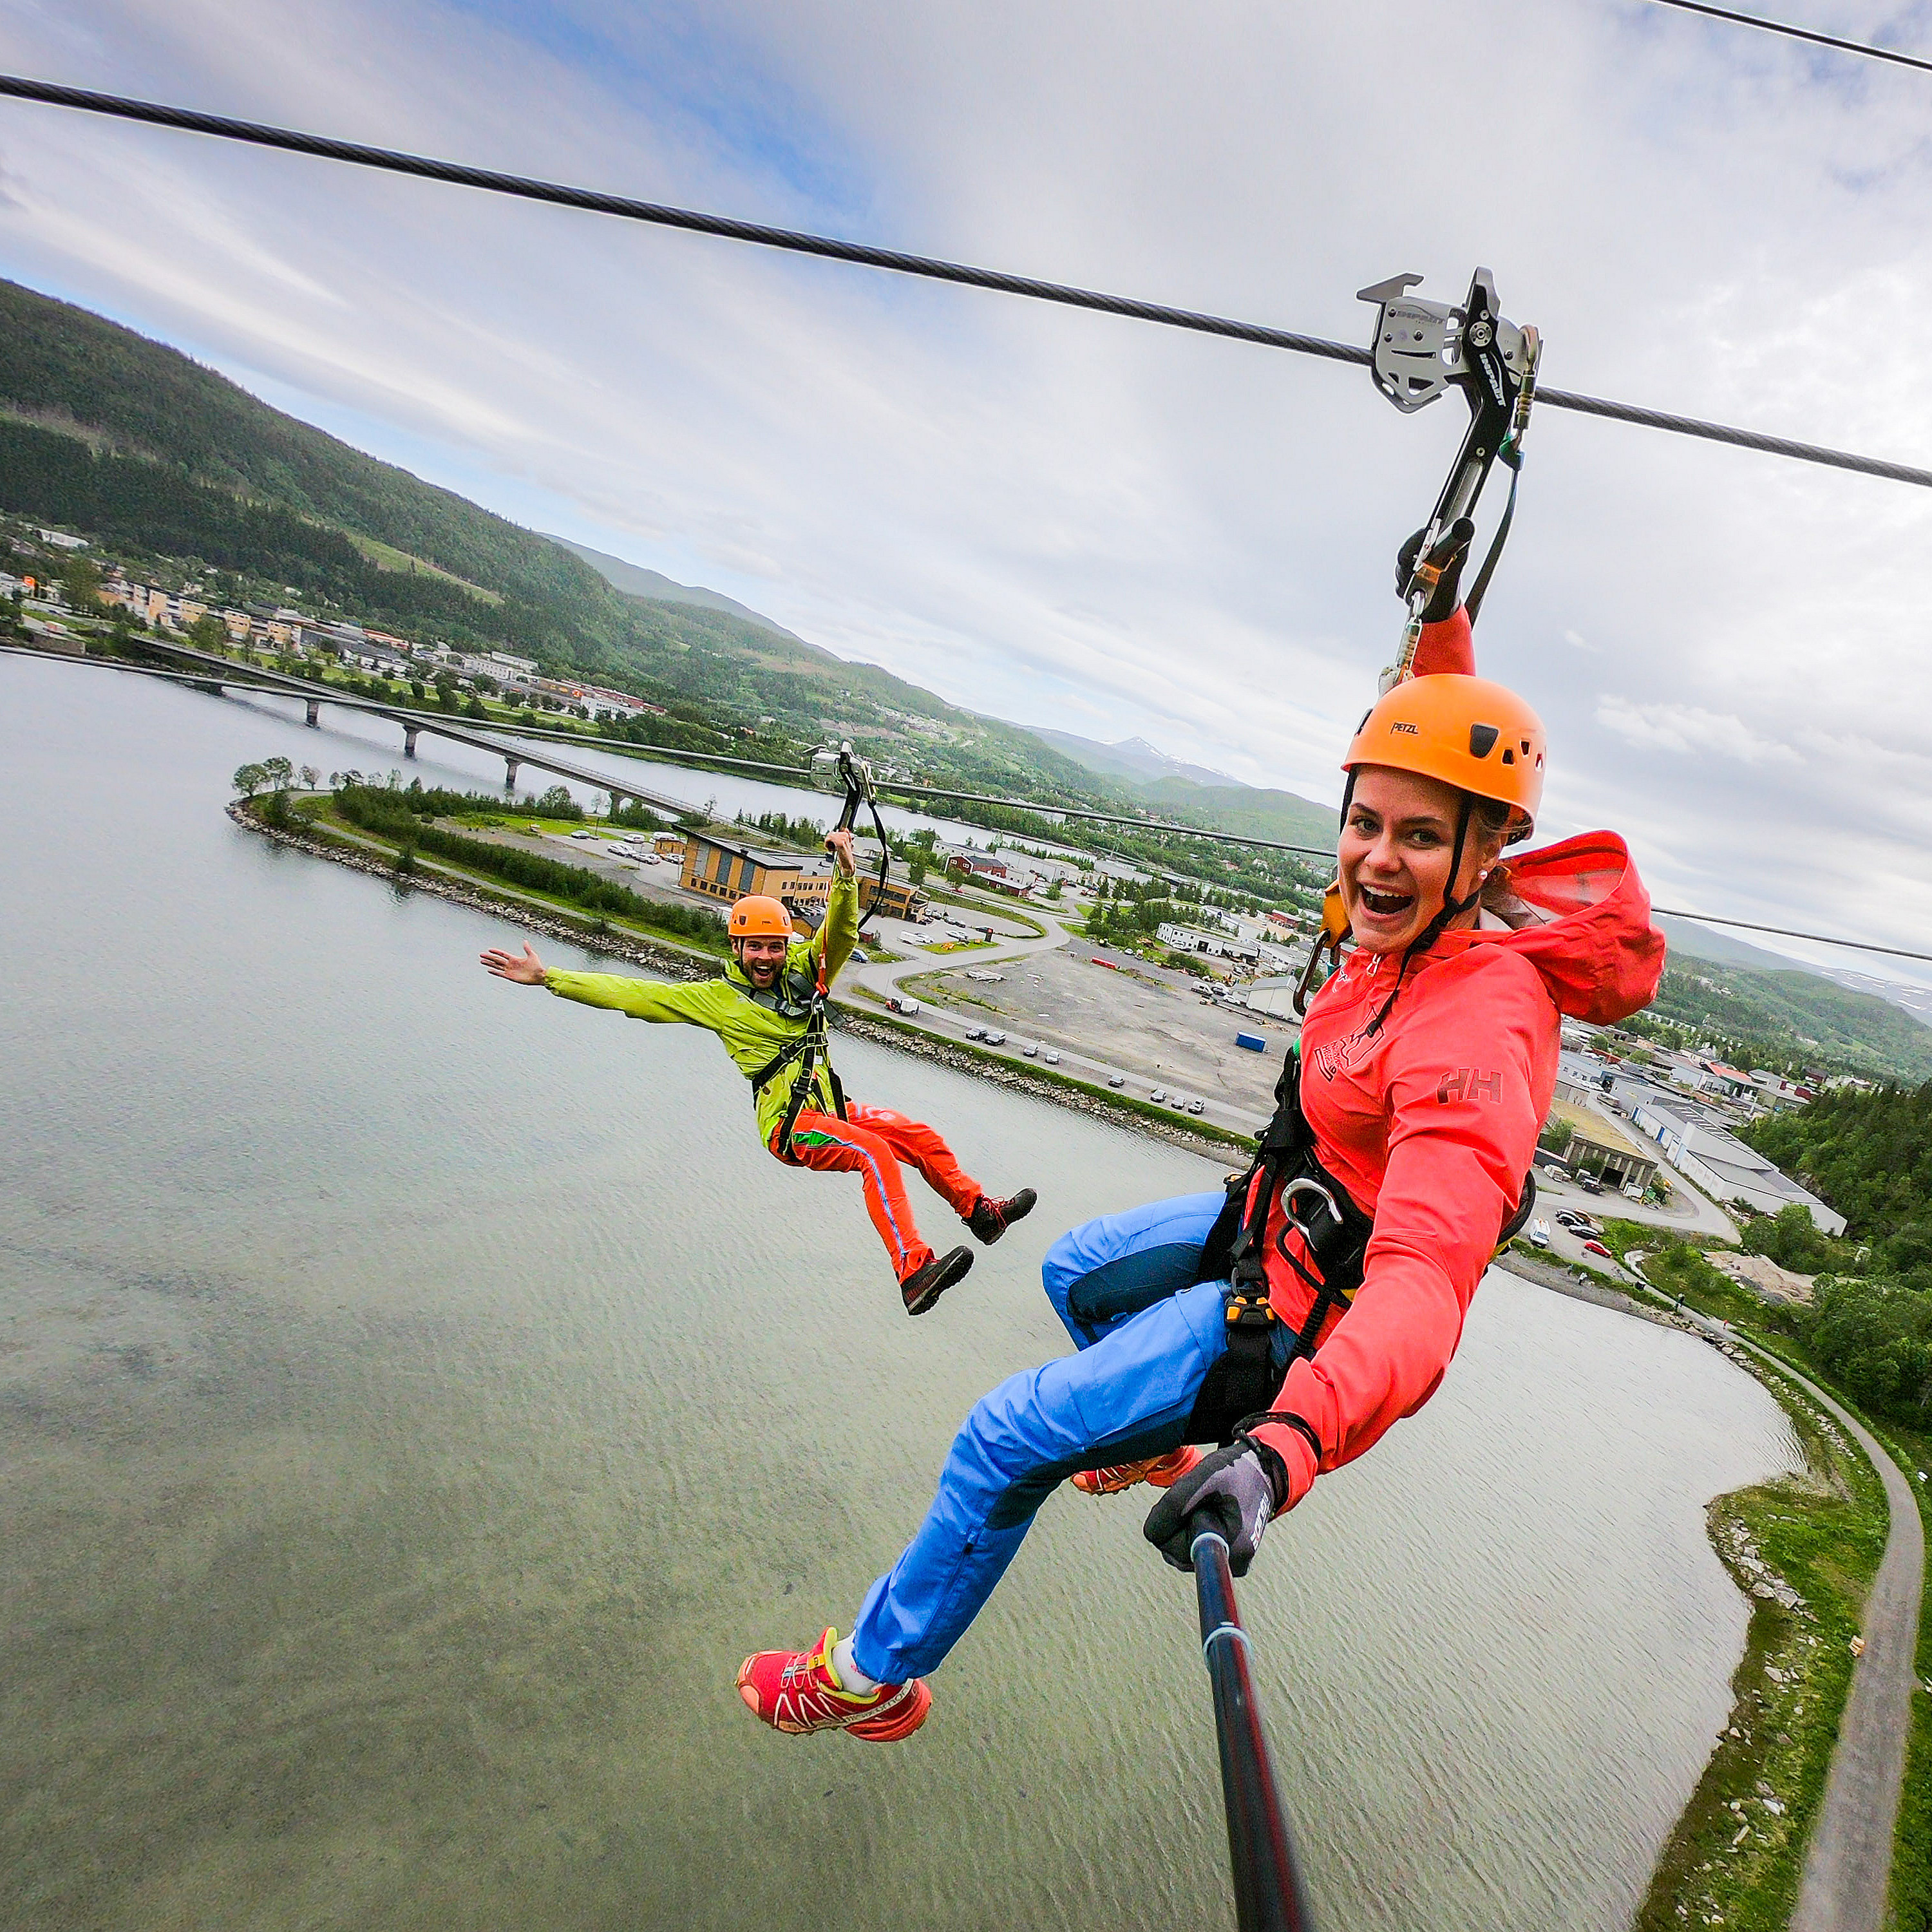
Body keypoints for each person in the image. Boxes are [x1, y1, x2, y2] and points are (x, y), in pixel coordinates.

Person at [734, 542, 1665, 1743]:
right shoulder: (1419, 924)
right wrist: (1442, 616)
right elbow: (1439, 726)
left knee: (1004, 1438)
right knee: (1075, 1272)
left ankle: (872, 1676)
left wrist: (1282, 1452)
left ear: (1488, 856)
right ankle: (1156, 1438)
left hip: (1303, 1314)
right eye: (1365, 822)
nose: (1379, 858)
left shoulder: (1478, 1026)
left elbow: (1427, 1287)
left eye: (1421, 838)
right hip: (1270, 1218)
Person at [481, 826, 1035, 1314]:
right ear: (737, 947)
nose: (766, 957)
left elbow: (841, 933)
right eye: (755, 948)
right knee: (876, 1154)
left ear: (785, 944)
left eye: (774, 946)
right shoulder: (717, 999)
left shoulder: (806, 970)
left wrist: (846, 874)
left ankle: (979, 1213)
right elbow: (638, 995)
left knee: (916, 1136)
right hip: (790, 1126)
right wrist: (551, 978)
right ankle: (913, 1271)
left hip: (829, 1109)